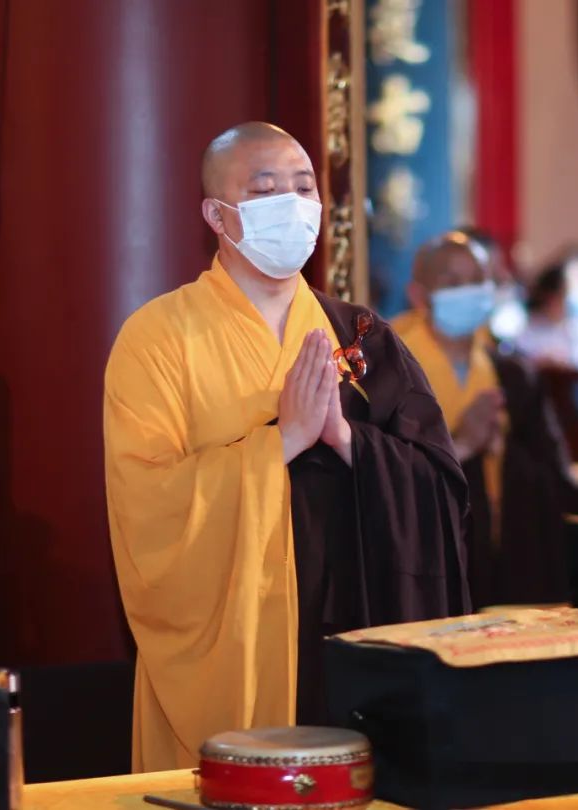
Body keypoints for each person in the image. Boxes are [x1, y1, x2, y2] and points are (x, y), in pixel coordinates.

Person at [103, 122, 469, 772]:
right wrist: (281, 443)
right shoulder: (156, 340)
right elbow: (147, 510)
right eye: (265, 188)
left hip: (355, 637)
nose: (292, 205)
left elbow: (439, 489)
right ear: (218, 215)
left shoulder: (363, 337)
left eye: (303, 187)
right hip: (236, 644)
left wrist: (348, 441)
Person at [393, 232, 576, 608]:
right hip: (419, 569)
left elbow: (558, 481)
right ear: (418, 295)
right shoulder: (389, 368)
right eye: (452, 283)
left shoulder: (512, 374)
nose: (468, 292)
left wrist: (501, 451)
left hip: (500, 564)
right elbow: (377, 476)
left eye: (478, 281)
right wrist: (460, 444)